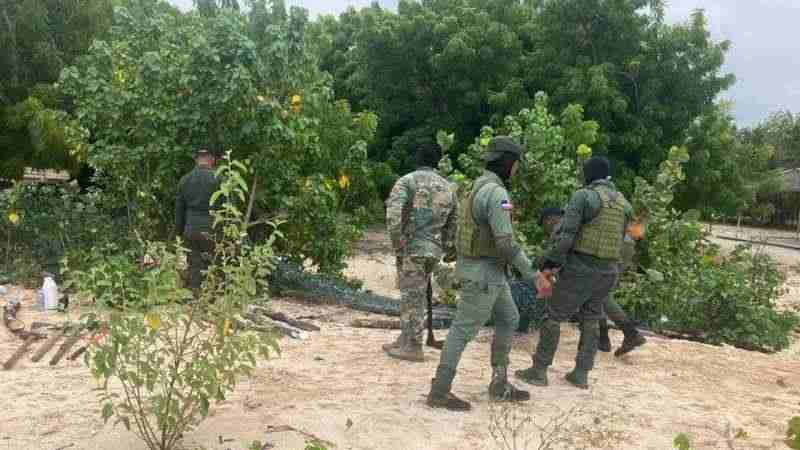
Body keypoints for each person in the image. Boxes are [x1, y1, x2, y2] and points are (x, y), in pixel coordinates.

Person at [427, 136, 536, 411]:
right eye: (516, 164)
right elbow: (505, 243)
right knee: (462, 330)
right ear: (508, 162)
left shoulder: (478, 185)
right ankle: (440, 390)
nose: (516, 169)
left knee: (509, 317)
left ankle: (499, 383)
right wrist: (532, 274)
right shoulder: (498, 194)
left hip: (489, 273)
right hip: (484, 275)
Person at [516, 156, 632, 390]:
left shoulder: (584, 196)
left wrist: (548, 263)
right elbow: (622, 240)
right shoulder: (623, 203)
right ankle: (581, 374)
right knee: (591, 318)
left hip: (582, 268)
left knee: (552, 315)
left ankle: (539, 371)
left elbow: (566, 236)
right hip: (608, 271)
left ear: (589, 174)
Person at [384, 141, 458, 362]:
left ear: (418, 158)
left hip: (412, 247)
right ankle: (405, 338)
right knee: (415, 293)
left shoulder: (407, 181)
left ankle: (413, 346)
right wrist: (447, 247)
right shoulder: (448, 187)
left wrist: (397, 243)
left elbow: (393, 215)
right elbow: (454, 222)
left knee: (411, 295)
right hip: (433, 249)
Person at [540, 208, 646, 355]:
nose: (547, 229)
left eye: (545, 225)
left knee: (600, 292)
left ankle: (630, 334)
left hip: (615, 247)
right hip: (621, 244)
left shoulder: (565, 223)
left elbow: (562, 248)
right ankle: (604, 340)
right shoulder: (579, 216)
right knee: (598, 292)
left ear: (550, 220)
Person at [176, 147, 221, 296]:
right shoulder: (219, 179)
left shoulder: (185, 180)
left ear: (196, 160)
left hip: (190, 229)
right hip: (211, 229)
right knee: (213, 265)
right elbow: (228, 208)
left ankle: (195, 297)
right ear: (212, 160)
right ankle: (210, 299)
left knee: (194, 265)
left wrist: (180, 232)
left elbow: (179, 210)